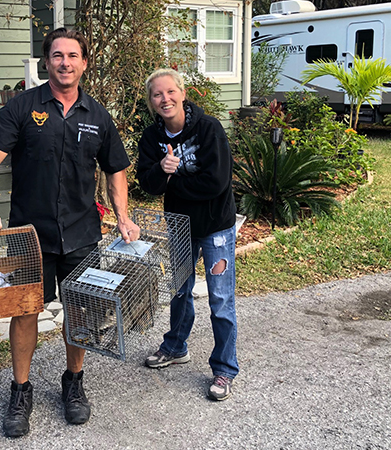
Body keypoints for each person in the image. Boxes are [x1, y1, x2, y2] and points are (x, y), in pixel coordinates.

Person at [0, 28, 140, 437]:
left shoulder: (98, 116)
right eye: (58, 55)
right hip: (29, 235)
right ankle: (21, 390)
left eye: (73, 56)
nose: (65, 62)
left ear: (84, 63)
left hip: (82, 234)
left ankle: (73, 382)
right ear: (46, 62)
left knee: (79, 309)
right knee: (25, 310)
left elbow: (115, 168)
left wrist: (124, 215)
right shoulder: (22, 108)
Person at [136, 68, 239, 401]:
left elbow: (216, 182)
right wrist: (159, 171)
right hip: (180, 226)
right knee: (179, 291)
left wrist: (173, 178)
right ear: (151, 102)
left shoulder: (208, 129)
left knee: (220, 301)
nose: (165, 99)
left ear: (182, 93)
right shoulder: (152, 139)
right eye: (157, 95)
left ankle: (224, 368)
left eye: (170, 92)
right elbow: (148, 185)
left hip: (215, 228)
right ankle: (175, 346)